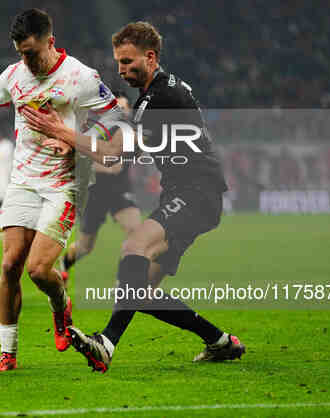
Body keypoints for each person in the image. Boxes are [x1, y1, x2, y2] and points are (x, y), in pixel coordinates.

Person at [21, 21, 245, 373]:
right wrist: (74, 142)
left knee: (133, 247)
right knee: (138, 291)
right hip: (186, 194)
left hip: (196, 192)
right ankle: (221, 342)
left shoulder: (159, 97)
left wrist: (60, 130)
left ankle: (106, 344)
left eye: (127, 62)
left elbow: (111, 155)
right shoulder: (160, 93)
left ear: (151, 57)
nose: (121, 70)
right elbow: (120, 153)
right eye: (118, 63)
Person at [0, 8, 122, 372]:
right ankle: (8, 353)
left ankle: (61, 307)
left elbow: (116, 116)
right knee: (10, 264)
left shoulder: (80, 76)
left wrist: (78, 140)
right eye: (20, 53)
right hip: (23, 182)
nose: (26, 61)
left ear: (50, 42)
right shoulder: (14, 76)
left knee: (39, 270)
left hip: (64, 183)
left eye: (32, 53)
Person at [58, 93, 141, 282]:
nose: (122, 112)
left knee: (136, 231)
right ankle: (65, 262)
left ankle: (124, 280)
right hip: (95, 191)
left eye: (125, 108)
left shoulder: (131, 132)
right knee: (85, 246)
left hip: (120, 188)